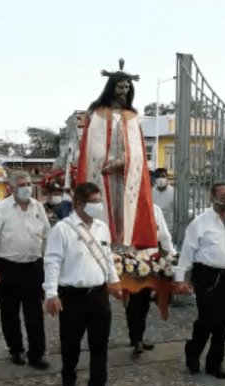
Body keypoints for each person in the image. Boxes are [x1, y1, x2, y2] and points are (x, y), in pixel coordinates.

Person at [43, 182, 122, 386]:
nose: (98, 206)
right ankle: (69, 376)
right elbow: (52, 261)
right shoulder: (62, 229)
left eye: (99, 201)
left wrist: (114, 281)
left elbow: (107, 256)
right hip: (72, 296)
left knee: (100, 345)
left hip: (98, 294)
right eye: (93, 202)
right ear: (78, 203)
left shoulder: (101, 227)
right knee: (71, 344)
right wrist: (51, 293)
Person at [175, 183, 225, 379]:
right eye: (223, 194)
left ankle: (214, 364)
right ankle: (193, 351)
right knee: (207, 320)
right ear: (212, 196)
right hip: (206, 276)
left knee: (224, 323)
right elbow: (187, 251)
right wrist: (180, 278)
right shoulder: (200, 222)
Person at [76, 59, 157, 250]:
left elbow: (138, 154)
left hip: (125, 176)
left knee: (124, 215)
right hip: (102, 174)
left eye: (128, 87)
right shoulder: (96, 114)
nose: (124, 91)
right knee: (103, 210)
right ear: (111, 88)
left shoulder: (132, 117)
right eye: (120, 87)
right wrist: (106, 163)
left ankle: (124, 249)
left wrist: (124, 163)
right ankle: (104, 247)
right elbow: (89, 149)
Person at [0, 171, 51, 370]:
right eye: (22, 184)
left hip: (33, 267)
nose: (26, 188)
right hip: (8, 267)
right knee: (10, 313)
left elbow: (46, 235)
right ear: (11, 187)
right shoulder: (1, 209)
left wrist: (49, 263)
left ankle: (37, 354)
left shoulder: (38, 207)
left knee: (35, 313)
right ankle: (16, 350)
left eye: (29, 183)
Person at [125, 203, 177, 356]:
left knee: (144, 302)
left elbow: (164, 235)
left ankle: (137, 336)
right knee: (135, 301)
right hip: (131, 261)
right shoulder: (127, 207)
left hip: (151, 261)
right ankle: (136, 338)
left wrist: (170, 256)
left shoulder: (155, 209)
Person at [152, 168, 174, 233]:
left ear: (167, 178)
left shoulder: (173, 192)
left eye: (163, 176)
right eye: (158, 177)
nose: (161, 179)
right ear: (155, 179)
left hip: (170, 229)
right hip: (156, 229)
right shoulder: (152, 191)